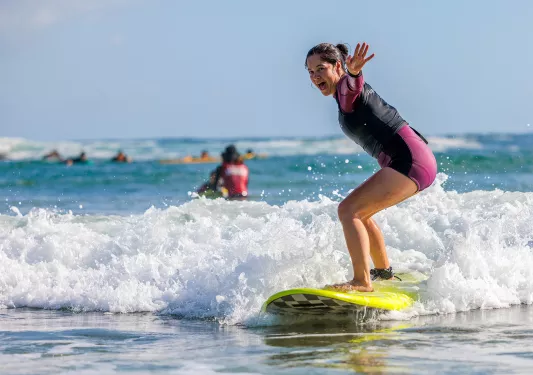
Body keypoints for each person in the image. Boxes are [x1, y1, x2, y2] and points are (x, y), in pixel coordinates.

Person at [306, 42, 437, 292]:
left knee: (348, 211)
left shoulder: (347, 88)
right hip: (414, 159)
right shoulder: (341, 96)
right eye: (311, 72)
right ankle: (382, 272)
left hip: (410, 159)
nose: (315, 77)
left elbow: (352, 84)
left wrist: (354, 72)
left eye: (321, 69)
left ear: (337, 66)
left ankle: (361, 281)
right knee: (360, 214)